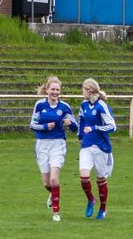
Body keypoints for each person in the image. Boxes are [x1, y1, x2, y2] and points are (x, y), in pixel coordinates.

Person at [30, 75, 77, 221]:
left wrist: (70, 124)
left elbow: (76, 128)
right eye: (52, 89)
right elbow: (32, 125)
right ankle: (54, 194)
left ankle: (56, 212)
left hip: (58, 144)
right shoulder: (39, 105)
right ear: (47, 90)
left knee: (54, 180)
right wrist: (45, 126)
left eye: (57, 89)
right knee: (46, 183)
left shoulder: (64, 107)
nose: (55, 92)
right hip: (42, 145)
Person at [76, 78, 116, 220]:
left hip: (101, 147)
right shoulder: (84, 105)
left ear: (90, 90)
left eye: (83, 88)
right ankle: (91, 199)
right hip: (87, 146)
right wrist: (80, 136)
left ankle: (102, 208)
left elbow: (112, 126)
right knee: (84, 177)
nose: (82, 91)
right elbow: (81, 121)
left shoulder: (101, 106)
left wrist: (94, 128)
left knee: (100, 180)